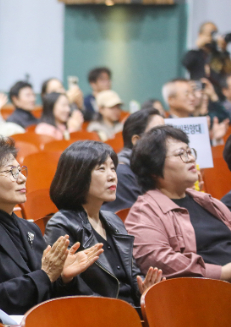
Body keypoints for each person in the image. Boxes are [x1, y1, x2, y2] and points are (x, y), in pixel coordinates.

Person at [0, 136, 102, 314]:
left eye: (21, 170)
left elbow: (49, 291)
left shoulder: (29, 228)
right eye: (11, 172)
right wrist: (45, 275)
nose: (22, 178)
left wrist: (63, 277)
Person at [45, 141, 165, 306]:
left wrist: (142, 289)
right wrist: (67, 278)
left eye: (113, 168)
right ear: (78, 175)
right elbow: (61, 289)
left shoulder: (112, 219)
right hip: (100, 314)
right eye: (101, 169)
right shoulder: (62, 223)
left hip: (132, 310)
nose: (112, 176)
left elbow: (132, 274)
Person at [127, 126, 231, 281]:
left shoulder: (207, 201)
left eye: (189, 152)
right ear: (154, 170)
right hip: (206, 293)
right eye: (180, 154)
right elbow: (159, 261)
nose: (190, 158)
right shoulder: (144, 213)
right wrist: (222, 272)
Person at [102, 108, 165, 213]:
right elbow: (141, 218)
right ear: (137, 141)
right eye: (158, 133)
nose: (167, 139)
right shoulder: (120, 174)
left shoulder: (154, 168)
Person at [163, 78, 228, 144]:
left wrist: (216, 140)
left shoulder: (200, 123)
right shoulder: (164, 129)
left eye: (192, 93)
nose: (192, 98)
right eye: (186, 94)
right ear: (171, 100)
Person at [182, 21, 231, 97]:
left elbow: (228, 71)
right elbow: (186, 63)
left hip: (218, 96)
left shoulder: (219, 55)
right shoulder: (195, 54)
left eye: (215, 33)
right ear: (200, 35)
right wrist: (200, 45)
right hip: (199, 94)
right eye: (210, 34)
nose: (212, 37)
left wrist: (223, 50)